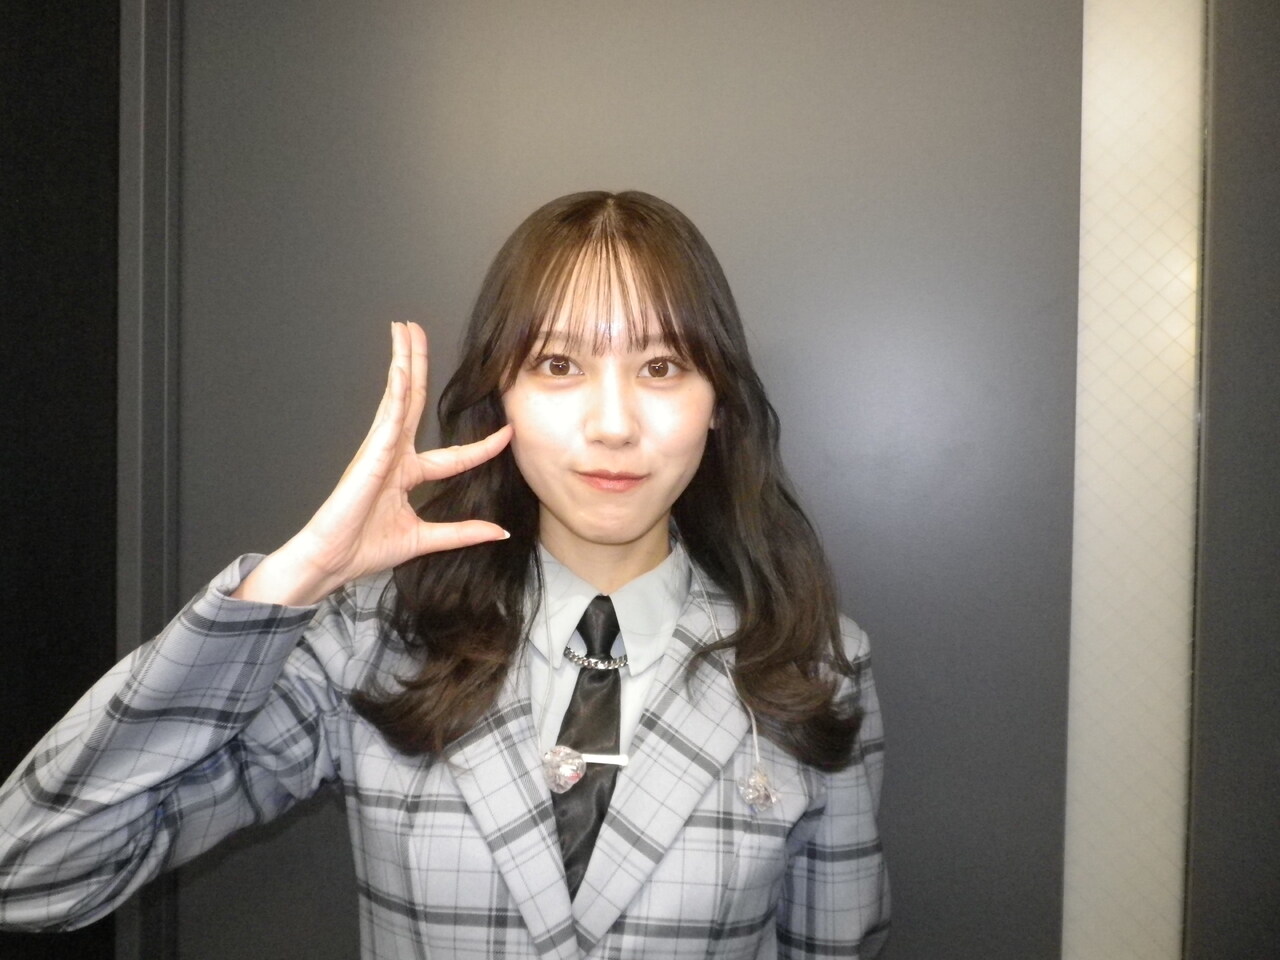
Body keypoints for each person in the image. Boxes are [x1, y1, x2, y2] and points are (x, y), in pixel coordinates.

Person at [0, 191, 888, 958]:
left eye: (661, 367)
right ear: (502, 393)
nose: (614, 424)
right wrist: (292, 582)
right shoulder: (373, 642)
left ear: (718, 403)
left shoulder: (813, 667)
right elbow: (33, 869)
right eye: (559, 365)